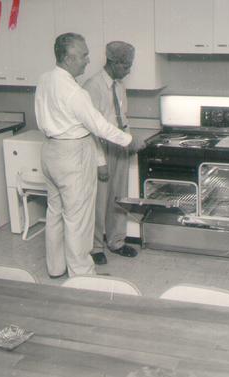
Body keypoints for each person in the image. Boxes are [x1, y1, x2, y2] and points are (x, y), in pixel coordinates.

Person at [35, 33, 132, 278]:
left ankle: (56, 268)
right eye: (84, 55)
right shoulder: (74, 91)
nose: (88, 61)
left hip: (50, 150)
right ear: (68, 58)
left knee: (55, 212)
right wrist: (129, 140)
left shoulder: (45, 80)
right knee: (79, 218)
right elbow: (98, 125)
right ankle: (83, 275)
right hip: (73, 153)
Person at [83, 41, 138, 266]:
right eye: (126, 66)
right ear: (114, 63)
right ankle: (95, 247)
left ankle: (116, 241)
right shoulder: (91, 87)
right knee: (99, 200)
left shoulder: (119, 85)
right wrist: (99, 162)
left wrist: (129, 141)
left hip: (118, 144)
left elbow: (122, 117)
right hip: (100, 146)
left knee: (119, 197)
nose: (129, 71)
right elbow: (90, 130)